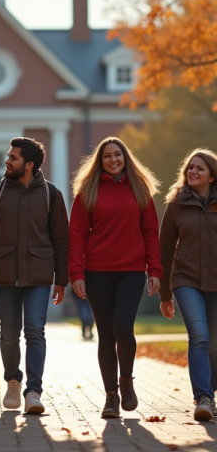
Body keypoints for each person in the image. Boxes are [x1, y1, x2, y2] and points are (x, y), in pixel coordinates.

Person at [0, 137, 69, 414]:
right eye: (8, 156)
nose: (7, 161)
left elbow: (61, 239)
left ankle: (34, 391)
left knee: (36, 331)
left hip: (39, 275)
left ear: (28, 164)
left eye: (12, 157)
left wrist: (61, 279)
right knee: (9, 334)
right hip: (3, 275)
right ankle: (13, 381)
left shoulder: (51, 194)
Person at [69, 136, 162, 419]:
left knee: (123, 328)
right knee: (106, 335)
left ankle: (126, 382)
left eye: (117, 155)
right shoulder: (87, 191)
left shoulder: (140, 190)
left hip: (132, 271)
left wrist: (155, 270)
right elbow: (77, 235)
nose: (113, 160)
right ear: (100, 161)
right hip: (97, 272)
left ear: (125, 158)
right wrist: (77, 272)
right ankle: (111, 396)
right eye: (107, 156)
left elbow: (150, 233)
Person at [159, 148, 217, 422]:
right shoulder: (176, 206)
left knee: (214, 344)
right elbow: (165, 250)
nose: (192, 172)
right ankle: (203, 398)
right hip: (186, 280)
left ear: (212, 176)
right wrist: (165, 293)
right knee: (200, 336)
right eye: (190, 168)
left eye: (199, 169)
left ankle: (209, 391)